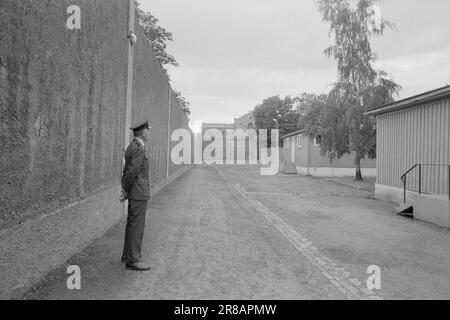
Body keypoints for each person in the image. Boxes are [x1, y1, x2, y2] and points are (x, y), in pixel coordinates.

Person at [120, 119, 152, 271]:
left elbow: (127, 171)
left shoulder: (132, 146)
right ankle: (134, 259)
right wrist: (125, 189)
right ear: (142, 132)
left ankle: (127, 254)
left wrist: (125, 189)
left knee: (132, 224)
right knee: (137, 226)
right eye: (148, 130)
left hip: (134, 191)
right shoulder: (139, 148)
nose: (149, 132)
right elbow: (132, 172)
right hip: (139, 192)